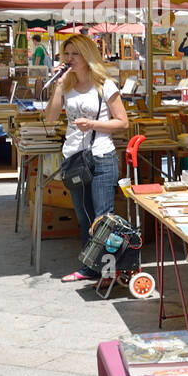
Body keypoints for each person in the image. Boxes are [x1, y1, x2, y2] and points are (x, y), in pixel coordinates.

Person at [45, 35, 130, 282]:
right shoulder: (67, 85)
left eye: (75, 54)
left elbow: (123, 122)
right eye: (66, 54)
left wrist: (92, 124)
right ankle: (89, 267)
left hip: (101, 155)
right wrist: (58, 86)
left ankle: (107, 269)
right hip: (74, 157)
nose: (69, 59)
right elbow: (50, 119)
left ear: (87, 56)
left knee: (102, 216)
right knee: (84, 216)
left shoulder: (105, 85)